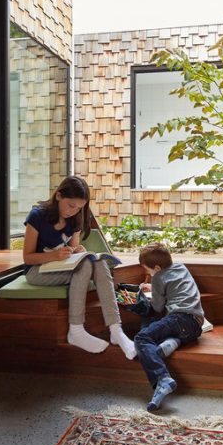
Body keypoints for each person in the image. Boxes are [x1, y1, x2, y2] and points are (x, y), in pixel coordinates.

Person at [23, 175, 136, 358]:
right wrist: (53, 256)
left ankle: (116, 330)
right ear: (58, 196)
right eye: (71, 205)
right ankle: (76, 331)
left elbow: (73, 247)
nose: (73, 211)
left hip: (59, 266)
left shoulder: (75, 218)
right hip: (37, 271)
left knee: (98, 262)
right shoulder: (37, 216)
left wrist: (77, 250)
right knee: (85, 266)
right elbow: (27, 258)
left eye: (79, 208)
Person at [134, 243, 204, 411]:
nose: (148, 274)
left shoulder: (158, 277)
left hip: (179, 318)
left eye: (148, 270)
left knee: (142, 337)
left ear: (157, 268)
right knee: (165, 330)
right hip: (195, 325)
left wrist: (149, 292)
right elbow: (172, 283)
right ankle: (168, 345)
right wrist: (155, 287)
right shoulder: (181, 267)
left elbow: (157, 307)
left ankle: (163, 378)